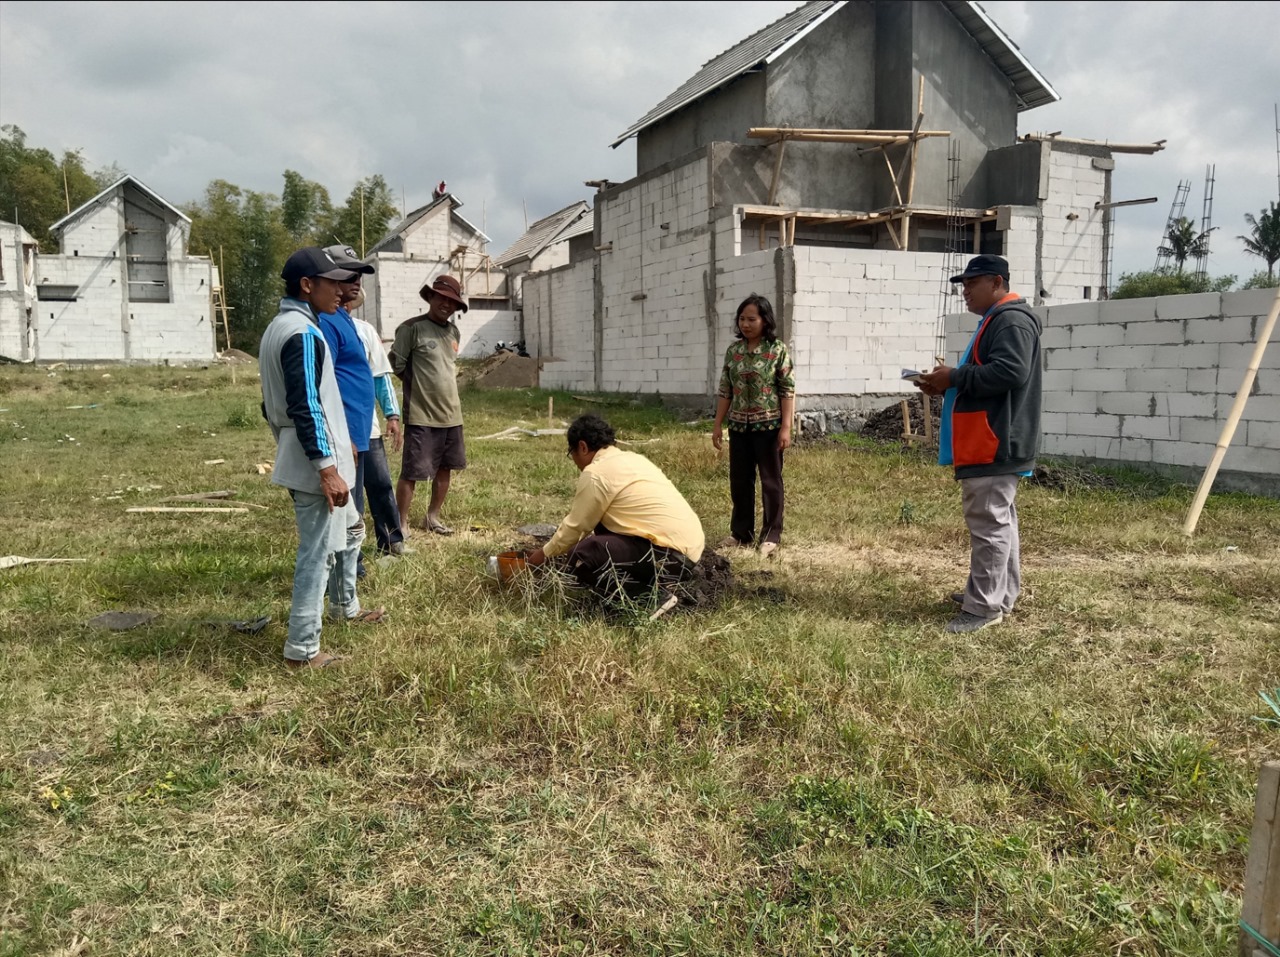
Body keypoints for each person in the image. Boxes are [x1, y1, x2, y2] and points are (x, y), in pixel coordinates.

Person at [259, 247, 385, 670]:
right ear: (307, 286)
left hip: (316, 449)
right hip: (315, 459)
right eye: (332, 283)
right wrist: (326, 468)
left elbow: (273, 405)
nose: (342, 292)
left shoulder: (283, 327)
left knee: (346, 534)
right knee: (316, 553)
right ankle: (302, 649)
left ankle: (344, 607)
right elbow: (306, 406)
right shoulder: (304, 334)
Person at [914, 254, 1042, 634]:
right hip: (994, 437)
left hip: (995, 439)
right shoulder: (1000, 319)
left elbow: (1010, 371)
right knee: (999, 522)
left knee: (989, 524)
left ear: (998, 283)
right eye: (964, 285)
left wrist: (955, 376)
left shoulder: (1011, 320)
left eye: (973, 283)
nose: (965, 291)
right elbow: (993, 373)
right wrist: (946, 381)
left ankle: (984, 607)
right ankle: (998, 595)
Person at [525, 414, 705, 619]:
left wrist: (540, 556)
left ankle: (649, 598)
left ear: (582, 447)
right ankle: (642, 584)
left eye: (571, 453)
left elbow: (576, 528)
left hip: (668, 559)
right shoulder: (634, 459)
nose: (574, 461)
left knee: (583, 556)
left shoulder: (596, 472)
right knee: (603, 528)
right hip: (688, 554)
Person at [711, 293, 795, 559]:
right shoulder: (734, 352)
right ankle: (741, 533)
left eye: (752, 319)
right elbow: (726, 390)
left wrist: (786, 427)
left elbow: (787, 391)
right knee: (739, 481)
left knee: (771, 481)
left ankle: (771, 534)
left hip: (769, 428)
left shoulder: (776, 350)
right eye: (742, 319)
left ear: (764, 320)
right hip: (739, 428)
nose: (745, 324)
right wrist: (717, 425)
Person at [315, 245, 380, 580]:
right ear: (329, 278)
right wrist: (342, 438)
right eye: (347, 275)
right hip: (345, 431)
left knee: (355, 503)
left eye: (358, 276)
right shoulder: (326, 320)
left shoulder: (344, 317)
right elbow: (325, 382)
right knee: (344, 507)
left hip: (357, 428)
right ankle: (342, 573)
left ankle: (350, 566)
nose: (355, 282)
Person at [390, 274, 468, 537]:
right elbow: (396, 364)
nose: (446, 305)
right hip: (422, 415)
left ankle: (432, 517)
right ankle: (401, 522)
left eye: (452, 302)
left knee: (445, 469)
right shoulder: (411, 329)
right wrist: (419, 387)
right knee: (411, 471)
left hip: (452, 415)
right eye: (442, 298)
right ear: (431, 297)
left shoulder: (453, 332)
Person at [348, 290, 407, 557]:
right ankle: (352, 551)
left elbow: (380, 378)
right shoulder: (319, 329)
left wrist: (392, 415)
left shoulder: (364, 331)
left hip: (367, 426)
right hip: (339, 431)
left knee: (381, 483)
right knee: (349, 494)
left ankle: (392, 541)